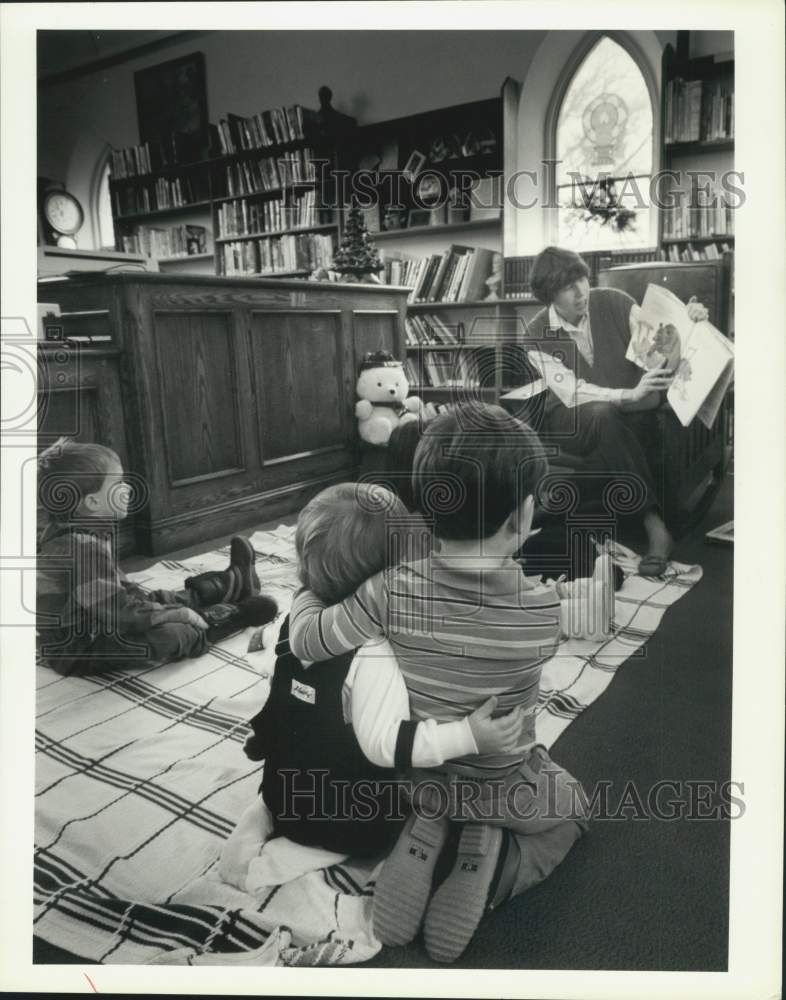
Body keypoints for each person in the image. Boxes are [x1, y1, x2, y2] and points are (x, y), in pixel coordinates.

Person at [288, 404, 589, 963]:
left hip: (417, 775)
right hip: (500, 778)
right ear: (523, 518)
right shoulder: (543, 613)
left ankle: (428, 827)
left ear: (427, 508)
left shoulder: (387, 591)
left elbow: (307, 640)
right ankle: (495, 864)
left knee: (442, 788)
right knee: (572, 807)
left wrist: (307, 585)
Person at [219, 481, 523, 883]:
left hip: (282, 788)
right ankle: (281, 864)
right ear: (389, 574)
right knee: (426, 798)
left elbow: (285, 692)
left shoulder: (296, 622)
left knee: (282, 796)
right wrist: (468, 737)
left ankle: (254, 836)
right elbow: (384, 745)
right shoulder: (375, 651)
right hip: (350, 819)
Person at [525, 246, 709, 576]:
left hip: (629, 418)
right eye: (567, 287)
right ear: (549, 296)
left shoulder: (614, 302)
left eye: (581, 278)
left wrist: (689, 322)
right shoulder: (535, 335)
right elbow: (573, 391)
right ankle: (654, 525)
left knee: (620, 423)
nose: (581, 291)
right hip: (573, 419)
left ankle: (557, 503)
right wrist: (630, 393)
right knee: (603, 414)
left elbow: (658, 354)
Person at [36, 438, 277, 676]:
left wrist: (161, 605)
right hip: (81, 648)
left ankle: (229, 584)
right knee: (168, 635)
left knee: (156, 599)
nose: (127, 488)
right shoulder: (82, 549)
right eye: (118, 483)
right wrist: (181, 614)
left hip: (101, 616)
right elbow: (122, 615)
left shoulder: (81, 529)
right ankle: (220, 622)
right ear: (92, 502)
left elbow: (122, 591)